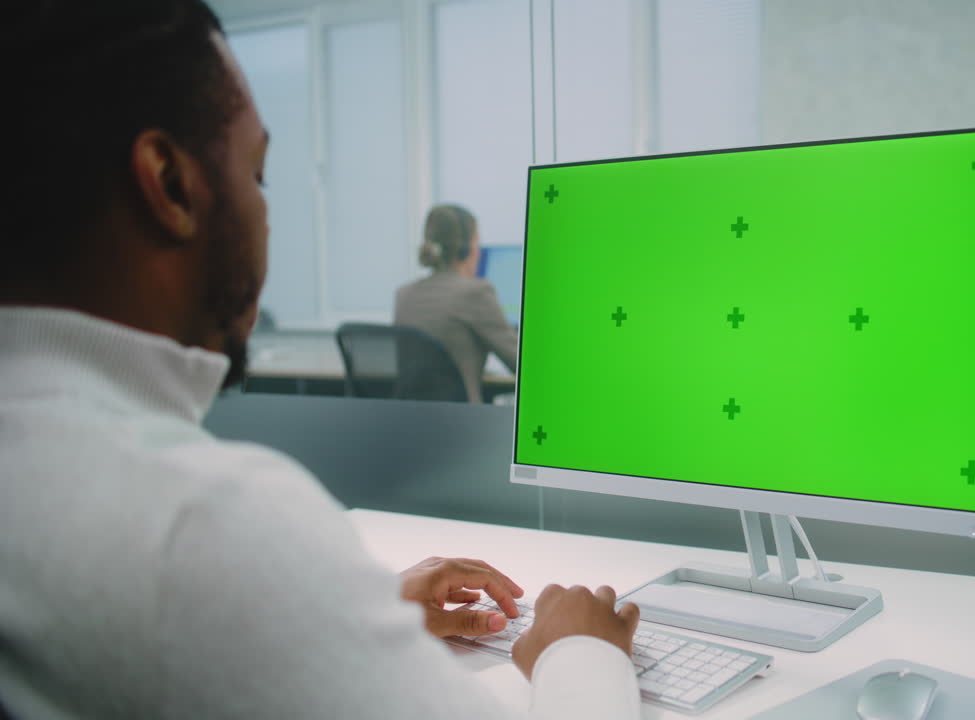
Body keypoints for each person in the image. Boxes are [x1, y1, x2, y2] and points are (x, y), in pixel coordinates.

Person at [0, 2, 641, 718]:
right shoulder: (201, 522)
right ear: (171, 185)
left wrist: (320, 616)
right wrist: (578, 652)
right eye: (260, 173)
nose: (267, 212)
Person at [394, 205, 519, 403]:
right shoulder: (476, 293)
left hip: (413, 421)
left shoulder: (404, 294)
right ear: (466, 248)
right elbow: (519, 363)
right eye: (477, 242)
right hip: (463, 423)